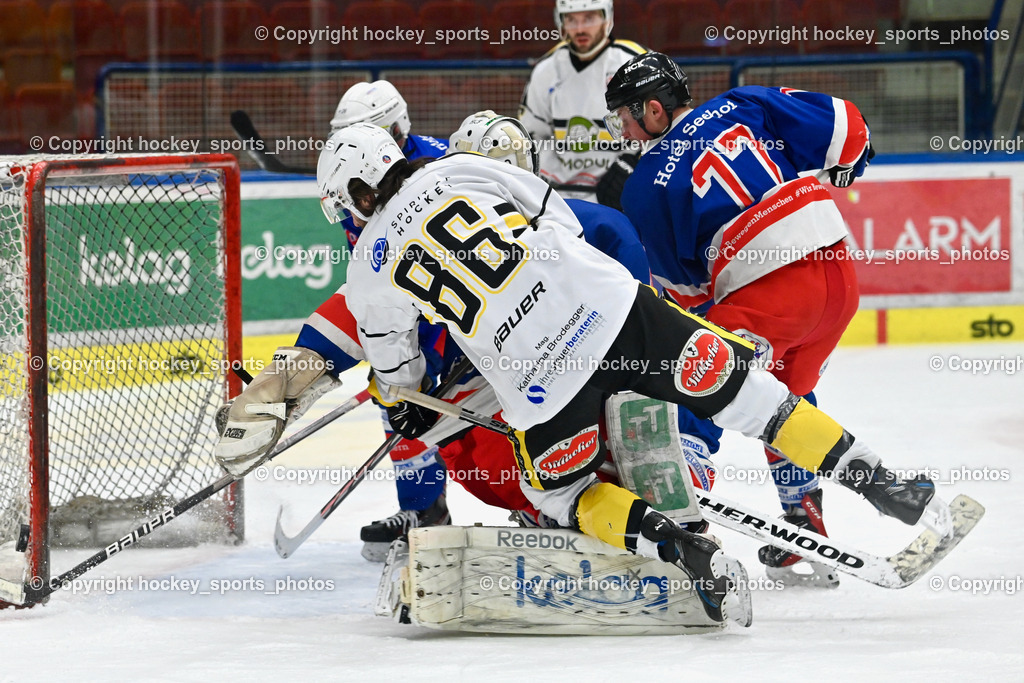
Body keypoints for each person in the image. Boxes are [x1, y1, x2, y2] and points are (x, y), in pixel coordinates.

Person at [249, 121, 946, 623]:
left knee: (560, 493)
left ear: (360, 193)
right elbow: (565, 221)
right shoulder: (459, 168)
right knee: (753, 396)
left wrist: (404, 405)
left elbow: (399, 378)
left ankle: (680, 548)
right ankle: (888, 485)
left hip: (538, 381)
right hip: (617, 311)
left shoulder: (368, 268)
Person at [602, 52, 880, 583]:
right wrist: (851, 164)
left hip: (773, 290)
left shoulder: (643, 184)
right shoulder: (743, 102)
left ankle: (686, 530)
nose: (624, 129)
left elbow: (687, 297)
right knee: (780, 399)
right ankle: (805, 519)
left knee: (692, 375)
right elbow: (850, 130)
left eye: (625, 116)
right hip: (838, 276)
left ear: (654, 110)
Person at [317, 79, 451, 560]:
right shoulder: (356, 178)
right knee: (396, 397)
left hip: (456, 304)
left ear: (398, 129)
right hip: (404, 301)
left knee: (460, 402)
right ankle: (424, 509)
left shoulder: (437, 166)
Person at [519, 0, 646, 205]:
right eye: (571, 20)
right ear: (560, 21)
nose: (580, 29)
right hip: (559, 200)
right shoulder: (546, 70)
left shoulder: (634, 63)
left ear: (607, 18)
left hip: (617, 198)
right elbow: (530, 136)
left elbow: (661, 127)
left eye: (589, 18)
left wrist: (632, 163)